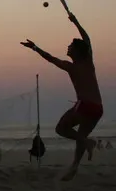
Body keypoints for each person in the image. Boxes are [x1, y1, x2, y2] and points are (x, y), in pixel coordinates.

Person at [22, 9, 103, 181]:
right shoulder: (88, 62)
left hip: (85, 105)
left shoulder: (72, 66)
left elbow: (51, 58)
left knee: (61, 128)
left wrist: (35, 48)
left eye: (70, 46)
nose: (68, 47)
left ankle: (88, 144)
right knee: (81, 137)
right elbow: (86, 39)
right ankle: (74, 166)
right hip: (98, 108)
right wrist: (75, 21)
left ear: (76, 51)